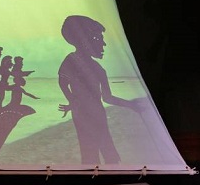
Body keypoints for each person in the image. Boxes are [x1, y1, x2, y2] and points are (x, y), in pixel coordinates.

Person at [58, 15, 144, 164]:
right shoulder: (71, 61)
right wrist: (72, 101)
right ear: (84, 41)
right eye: (98, 39)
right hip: (84, 115)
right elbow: (63, 83)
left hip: (97, 114)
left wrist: (131, 105)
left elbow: (107, 97)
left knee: (108, 153)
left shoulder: (98, 69)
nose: (103, 44)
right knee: (90, 154)